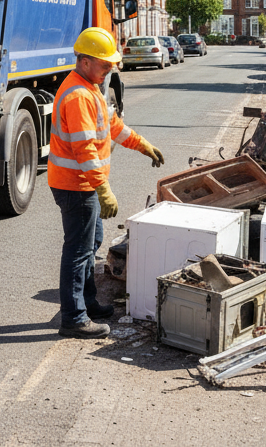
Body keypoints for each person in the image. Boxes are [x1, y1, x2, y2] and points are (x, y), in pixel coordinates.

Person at [48, 26, 165, 338]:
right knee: (78, 250)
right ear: (85, 61)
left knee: (90, 243)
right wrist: (102, 188)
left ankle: (86, 302)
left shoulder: (91, 89)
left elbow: (112, 126)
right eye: (104, 64)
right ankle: (73, 318)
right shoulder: (77, 96)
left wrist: (142, 145)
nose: (110, 69)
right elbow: (84, 148)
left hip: (82, 183)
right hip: (76, 185)